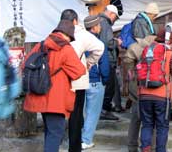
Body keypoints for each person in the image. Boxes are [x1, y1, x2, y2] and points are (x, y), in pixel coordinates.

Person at [23, 19, 86, 152]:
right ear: (68, 35)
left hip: (39, 94)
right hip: (56, 99)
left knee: (49, 132)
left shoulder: (40, 45)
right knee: (55, 135)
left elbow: (25, 65)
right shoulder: (66, 49)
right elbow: (79, 71)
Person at [62, 9, 104, 152]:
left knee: (59, 113)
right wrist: (89, 63)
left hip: (59, 80)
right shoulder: (81, 34)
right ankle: (74, 147)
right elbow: (100, 47)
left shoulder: (54, 34)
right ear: (75, 21)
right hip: (77, 80)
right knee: (76, 114)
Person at [138, 23, 172, 152]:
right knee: (162, 127)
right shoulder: (170, 54)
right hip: (162, 97)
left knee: (146, 125)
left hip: (144, 95)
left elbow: (140, 70)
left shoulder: (147, 52)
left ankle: (145, 149)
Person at [123, 34, 157, 152]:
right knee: (151, 120)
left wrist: (130, 70)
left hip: (138, 88)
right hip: (153, 90)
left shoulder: (135, 47)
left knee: (136, 118)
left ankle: (132, 146)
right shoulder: (160, 48)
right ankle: (150, 147)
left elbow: (127, 59)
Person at [81, 15, 110, 150]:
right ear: (93, 27)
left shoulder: (79, 41)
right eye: (98, 25)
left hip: (80, 81)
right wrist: (105, 80)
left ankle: (77, 138)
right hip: (94, 81)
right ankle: (86, 140)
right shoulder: (98, 43)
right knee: (92, 113)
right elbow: (104, 66)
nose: (100, 27)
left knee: (81, 112)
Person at [99, 4, 121, 120]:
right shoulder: (105, 24)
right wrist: (117, 42)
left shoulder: (98, 21)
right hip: (107, 59)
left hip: (101, 58)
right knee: (109, 86)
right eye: (115, 17)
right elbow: (108, 43)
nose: (114, 20)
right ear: (111, 14)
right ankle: (105, 110)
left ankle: (103, 109)